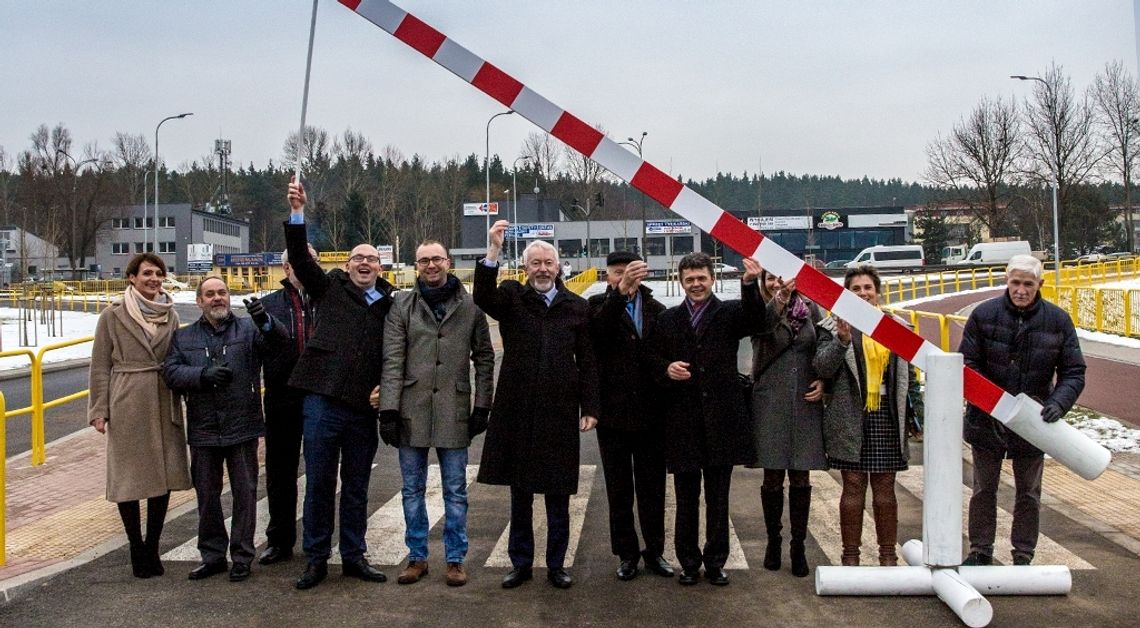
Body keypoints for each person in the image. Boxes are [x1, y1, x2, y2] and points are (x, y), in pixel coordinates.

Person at [473, 219, 600, 590]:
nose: (542, 269)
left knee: (558, 494)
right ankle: (521, 563)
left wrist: (590, 406)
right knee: (521, 493)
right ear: (525, 268)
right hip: (517, 409)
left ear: (559, 268)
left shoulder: (576, 307)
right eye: (535, 264)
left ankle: (557, 564)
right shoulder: (513, 298)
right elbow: (483, 297)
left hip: (560, 410)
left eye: (548, 263)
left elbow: (588, 360)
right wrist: (493, 250)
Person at [286, 179, 396, 590]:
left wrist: (387, 386)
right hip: (323, 401)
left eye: (372, 258)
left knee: (356, 486)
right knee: (318, 483)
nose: (364, 263)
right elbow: (299, 257)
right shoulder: (328, 288)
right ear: (347, 266)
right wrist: (298, 213)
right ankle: (316, 558)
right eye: (357, 258)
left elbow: (398, 354)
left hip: (362, 409)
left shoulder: (391, 305)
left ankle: (354, 555)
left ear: (381, 268)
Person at [376, 240, 494, 587]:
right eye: (424, 260)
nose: (431, 265)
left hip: (454, 410)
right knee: (412, 489)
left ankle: (455, 559)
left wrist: (482, 405)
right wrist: (388, 411)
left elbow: (484, 358)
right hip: (411, 409)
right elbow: (393, 360)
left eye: (437, 259)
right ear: (416, 265)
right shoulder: (402, 306)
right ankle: (417, 557)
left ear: (448, 263)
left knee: (455, 490)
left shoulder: (471, 307)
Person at [960, 254, 1086, 566]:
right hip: (986, 420)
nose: (1020, 289)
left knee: (1029, 493)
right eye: (1015, 282)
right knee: (983, 490)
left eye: (1028, 284)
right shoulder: (983, 315)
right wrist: (987, 400)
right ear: (1007, 281)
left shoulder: (1058, 321)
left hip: (1034, 423)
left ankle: (1023, 554)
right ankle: (980, 551)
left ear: (1040, 285)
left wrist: (1058, 404)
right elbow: (967, 363)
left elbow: (1073, 372)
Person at [645, 252, 761, 586]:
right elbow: (650, 356)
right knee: (685, 499)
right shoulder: (667, 320)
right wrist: (666, 369)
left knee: (718, 497)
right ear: (681, 282)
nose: (696, 285)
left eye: (702, 278)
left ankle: (715, 562)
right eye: (690, 279)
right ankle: (689, 563)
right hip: (682, 423)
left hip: (721, 422)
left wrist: (750, 285)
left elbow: (756, 321)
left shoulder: (728, 313)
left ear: (712, 279)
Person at [88, 253, 191, 579]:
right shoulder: (112, 316)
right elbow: (101, 365)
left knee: (163, 477)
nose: (154, 279)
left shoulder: (170, 315)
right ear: (132, 277)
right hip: (128, 400)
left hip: (163, 398)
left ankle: (153, 545)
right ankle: (136, 545)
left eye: (159, 274)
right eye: (147, 273)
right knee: (129, 478)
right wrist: (99, 410)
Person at [163, 277, 273, 582]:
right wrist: (201, 375)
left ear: (229, 297)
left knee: (245, 494)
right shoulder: (183, 337)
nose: (217, 298)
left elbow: (278, 345)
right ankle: (212, 556)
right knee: (207, 496)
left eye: (221, 293)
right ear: (199, 301)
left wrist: (266, 322)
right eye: (209, 294)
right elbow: (170, 372)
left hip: (242, 425)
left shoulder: (248, 330)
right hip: (204, 428)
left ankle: (241, 556)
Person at [814, 265, 922, 567]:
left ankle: (888, 556)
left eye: (867, 288)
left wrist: (917, 418)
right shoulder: (832, 326)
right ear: (846, 294)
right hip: (849, 417)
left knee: (885, 488)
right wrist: (842, 341)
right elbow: (822, 368)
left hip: (887, 416)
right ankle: (850, 557)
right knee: (853, 485)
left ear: (877, 292)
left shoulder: (897, 326)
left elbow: (909, 377)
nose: (862, 293)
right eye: (855, 289)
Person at [587, 251, 673, 581]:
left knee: (653, 489)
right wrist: (618, 294)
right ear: (607, 275)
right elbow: (598, 335)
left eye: (629, 272)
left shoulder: (657, 310)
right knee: (619, 490)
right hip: (613, 416)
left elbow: (663, 355)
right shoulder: (597, 305)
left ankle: (655, 551)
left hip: (652, 415)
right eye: (616, 273)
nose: (623, 277)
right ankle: (626, 553)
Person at [746, 269, 827, 578]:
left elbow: (822, 347)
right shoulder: (759, 309)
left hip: (805, 401)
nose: (777, 283)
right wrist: (779, 298)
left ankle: (798, 545)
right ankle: (773, 541)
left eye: (782, 278)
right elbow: (762, 328)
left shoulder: (810, 310)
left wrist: (823, 379)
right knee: (772, 475)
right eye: (770, 278)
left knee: (801, 476)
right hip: (771, 401)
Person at [256, 244, 318, 566]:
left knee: (321, 473)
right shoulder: (267, 306)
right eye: (297, 262)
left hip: (322, 397)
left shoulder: (329, 301)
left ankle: (317, 540)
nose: (304, 267)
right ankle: (279, 540)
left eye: (311, 261)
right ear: (286, 269)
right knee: (280, 474)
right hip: (282, 398)